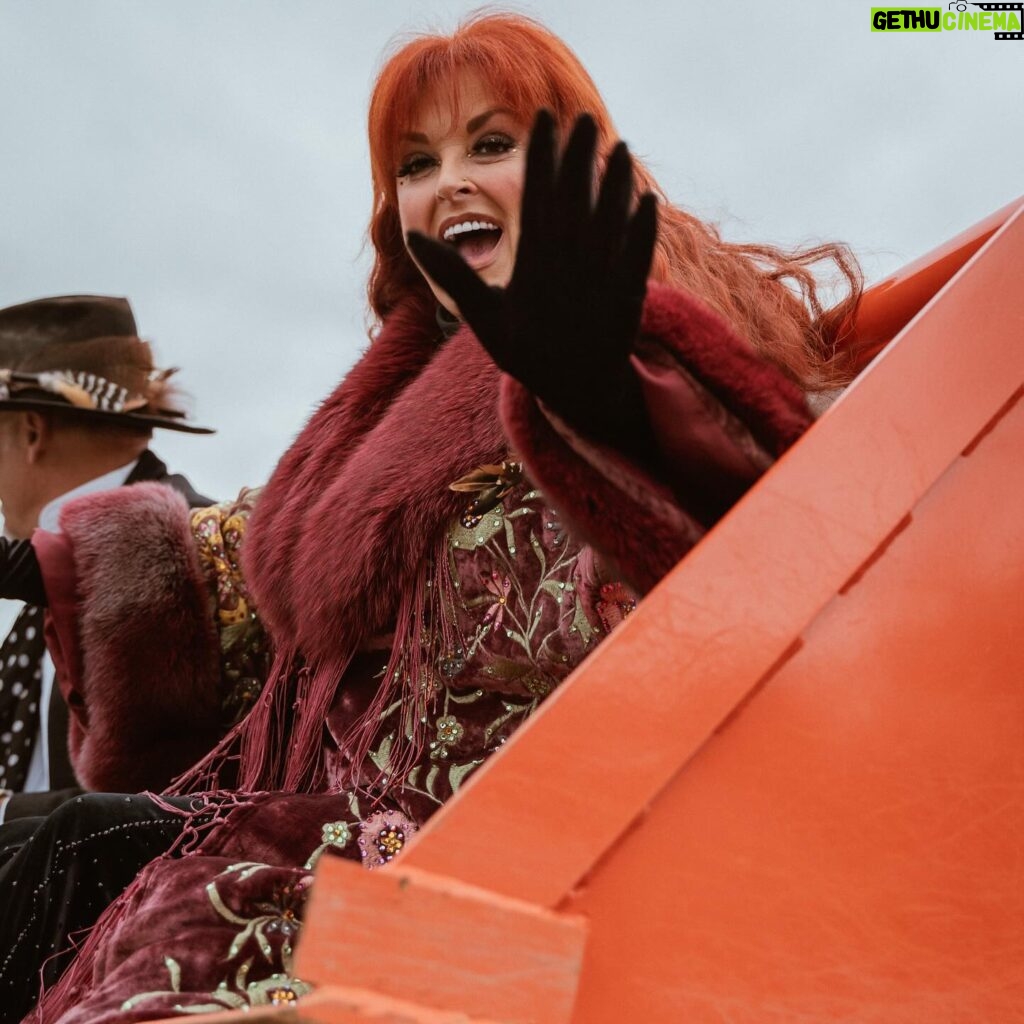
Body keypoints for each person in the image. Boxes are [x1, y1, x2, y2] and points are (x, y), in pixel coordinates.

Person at [3, 14, 862, 1024]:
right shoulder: (397, 386)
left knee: (124, 898)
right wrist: (59, 562)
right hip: (326, 820)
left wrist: (607, 409)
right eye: (417, 161)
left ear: (570, 168)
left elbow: (739, 539)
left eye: (490, 145)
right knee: (44, 844)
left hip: (507, 879)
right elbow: (267, 550)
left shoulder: (637, 343)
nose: (448, 179)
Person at [0, 295, 215, 827]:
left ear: (30, 432)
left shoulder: (195, 551)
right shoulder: (52, 569)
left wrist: (8, 813)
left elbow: (182, 802)